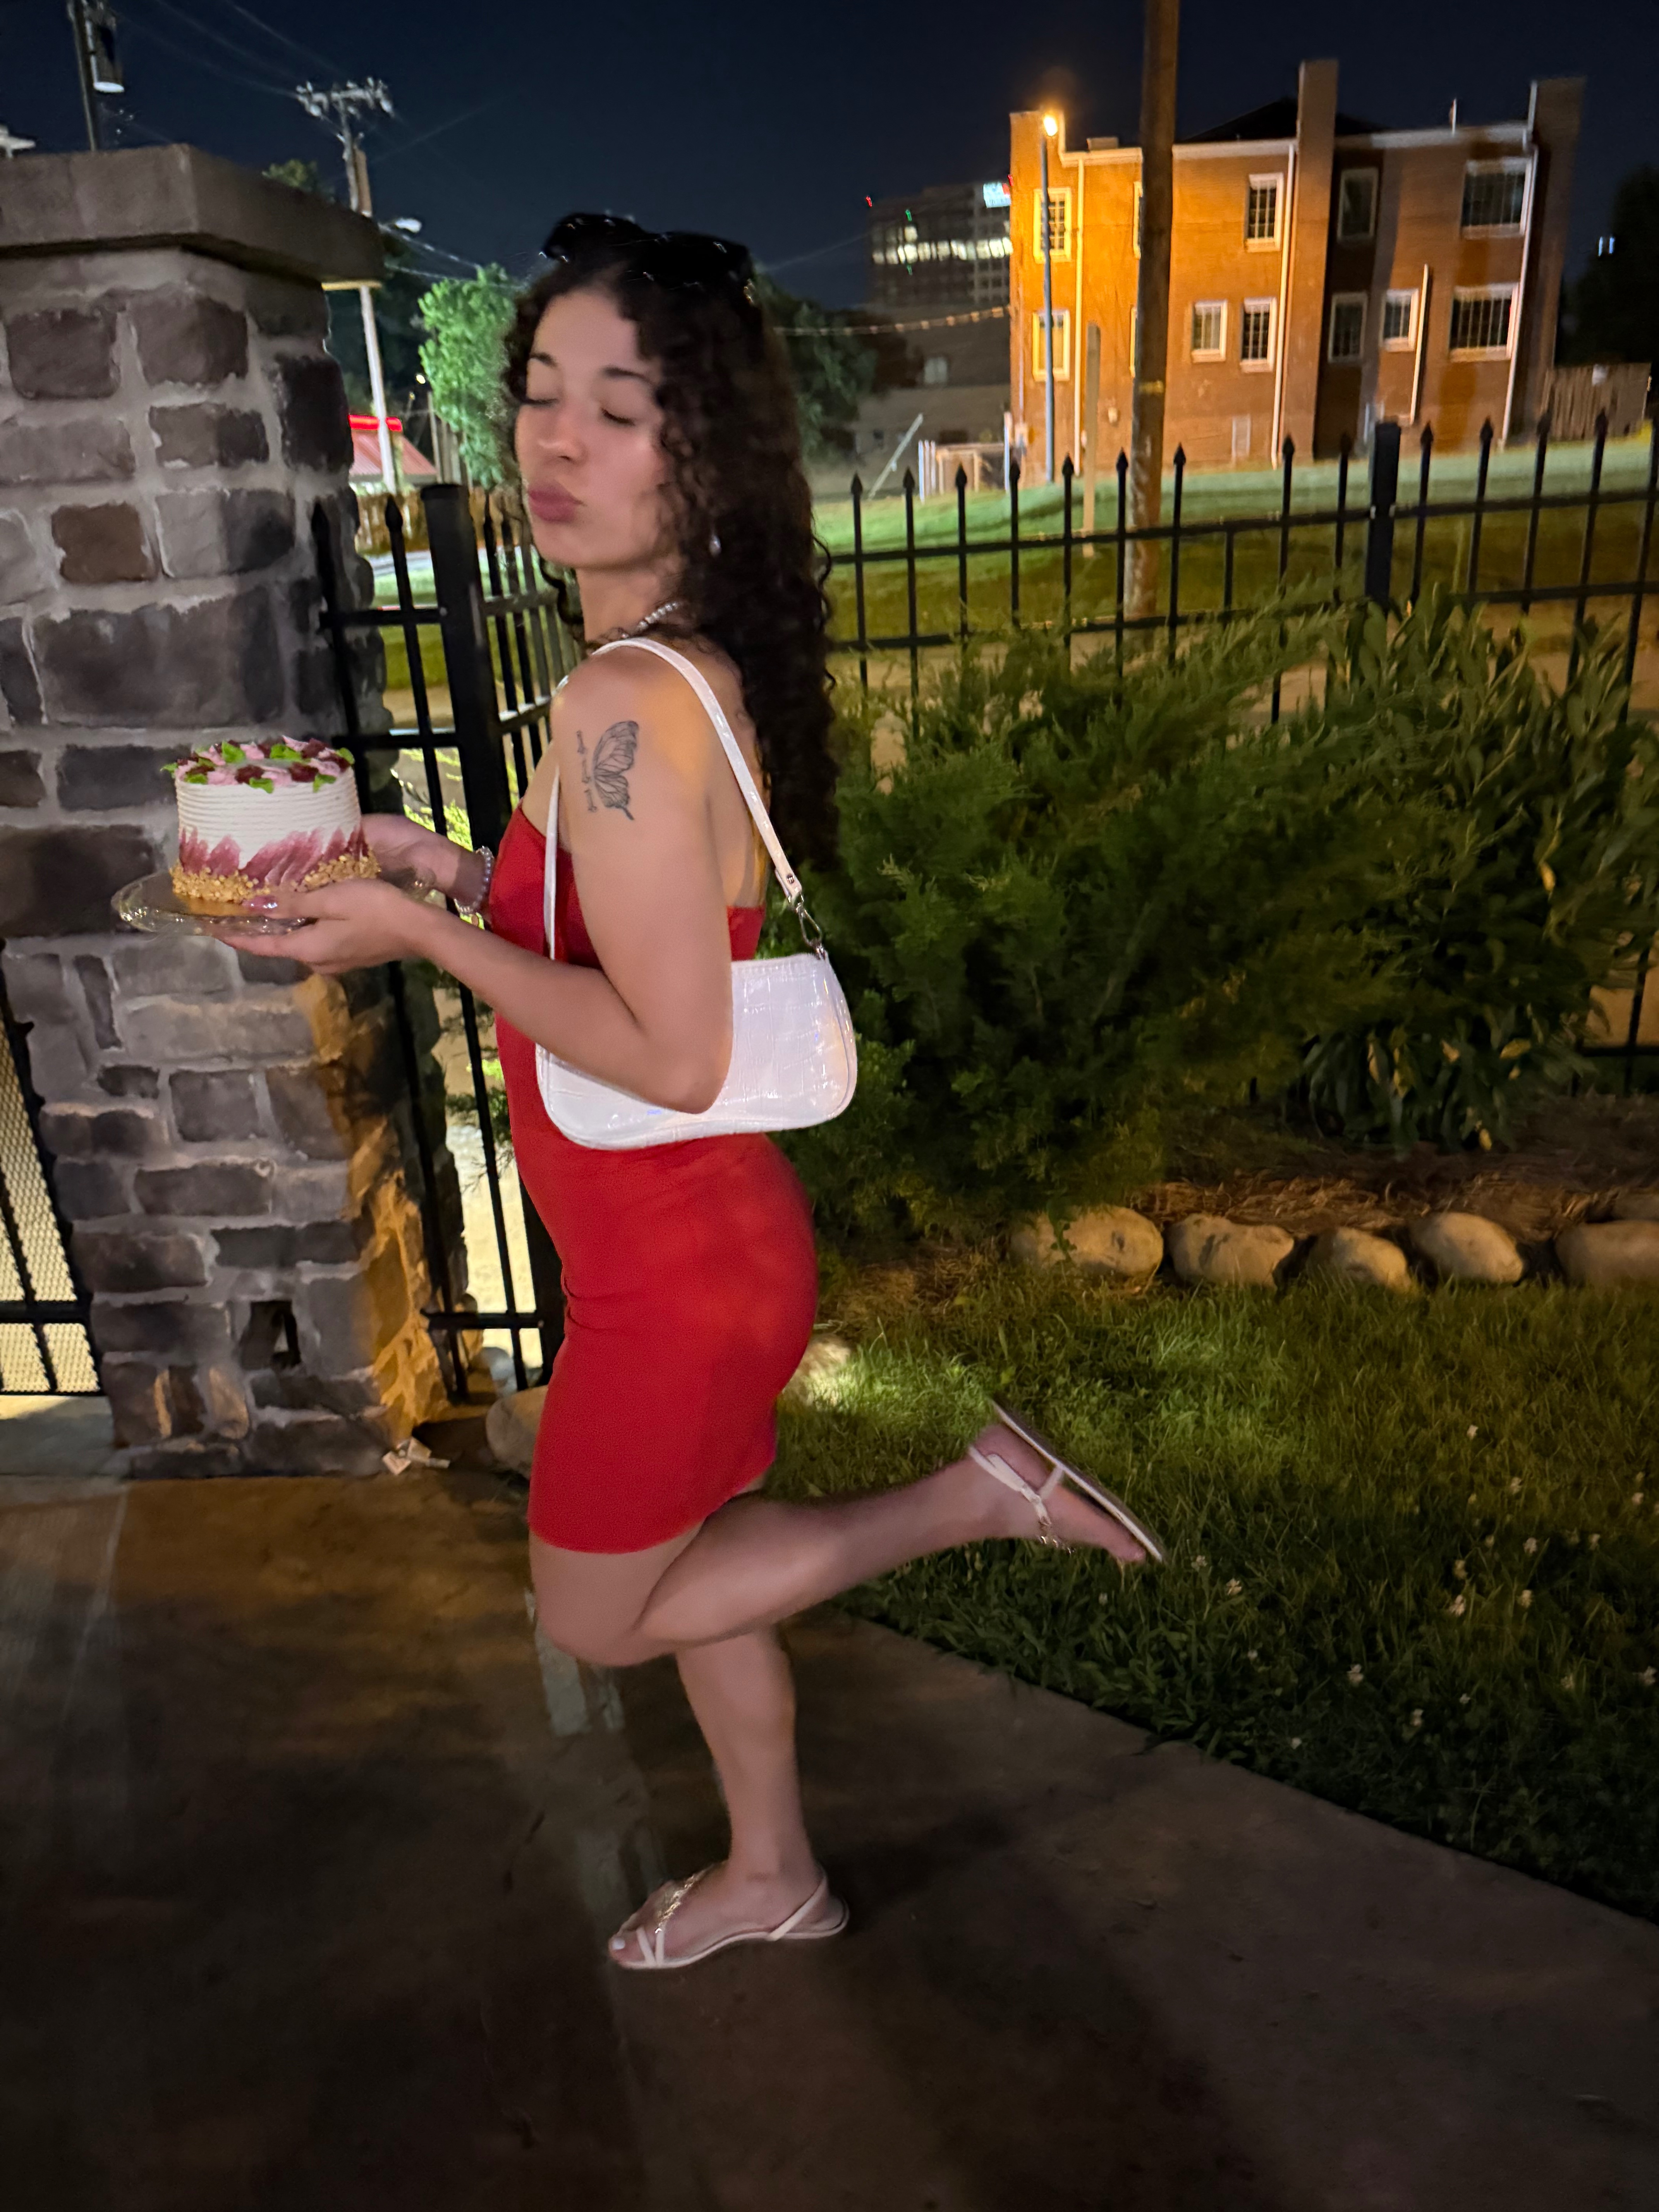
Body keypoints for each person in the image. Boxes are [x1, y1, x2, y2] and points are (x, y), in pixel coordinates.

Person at [233, 214, 1155, 1972]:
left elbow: (673, 1051)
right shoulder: (668, 670)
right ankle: (772, 1873)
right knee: (703, 1570)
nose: (556, 440)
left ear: (702, 455)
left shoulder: (621, 705)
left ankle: (977, 1495)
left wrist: (419, 938)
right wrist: (443, 868)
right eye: (540, 393)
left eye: (620, 409)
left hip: (670, 1274)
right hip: (700, 1245)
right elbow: (625, 938)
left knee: (600, 1614)